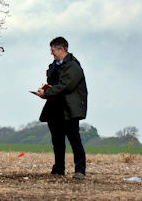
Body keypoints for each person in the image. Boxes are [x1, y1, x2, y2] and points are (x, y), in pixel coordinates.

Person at [33, 37, 88, 180]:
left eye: (53, 50)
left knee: (75, 141)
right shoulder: (54, 66)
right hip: (55, 109)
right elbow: (54, 84)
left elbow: (66, 86)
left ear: (61, 49)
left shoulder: (74, 67)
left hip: (69, 110)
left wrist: (46, 92)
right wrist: (46, 90)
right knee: (57, 142)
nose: (51, 53)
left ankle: (80, 171)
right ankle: (59, 169)